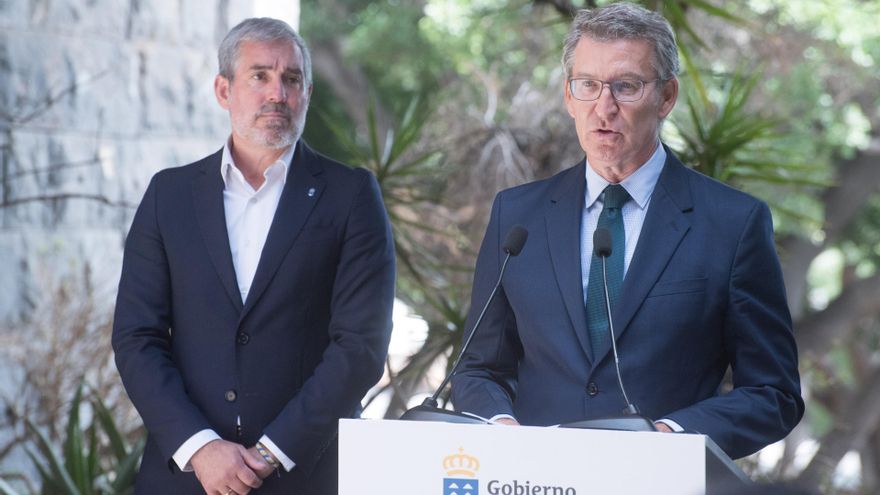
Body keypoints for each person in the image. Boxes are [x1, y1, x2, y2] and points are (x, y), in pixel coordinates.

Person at [451, 2, 803, 460]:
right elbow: (478, 369)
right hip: (532, 478)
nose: (605, 107)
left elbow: (773, 393)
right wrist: (501, 428)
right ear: (568, 96)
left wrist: (669, 436)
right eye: (588, 85)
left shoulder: (732, 224)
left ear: (667, 97)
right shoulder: (517, 216)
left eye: (627, 86)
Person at [112, 17, 395, 494]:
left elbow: (360, 346)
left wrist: (271, 453)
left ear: (306, 92)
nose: (277, 94)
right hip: (185, 476)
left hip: (304, 474)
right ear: (224, 90)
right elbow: (137, 337)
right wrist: (200, 447)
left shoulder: (351, 196)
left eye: (291, 79)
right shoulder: (170, 196)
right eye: (259, 76)